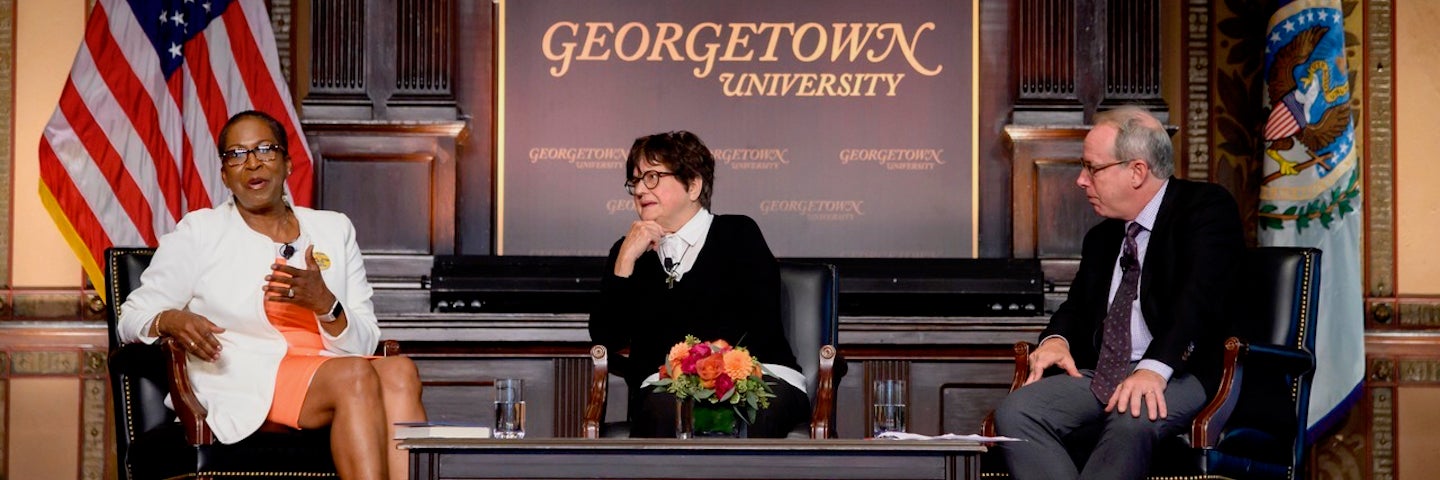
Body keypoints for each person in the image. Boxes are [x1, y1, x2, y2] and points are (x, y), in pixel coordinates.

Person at [118, 110, 425, 480]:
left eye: (265, 149)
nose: (251, 163)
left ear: (287, 163)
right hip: (248, 374)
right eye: (236, 154)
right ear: (224, 174)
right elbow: (132, 316)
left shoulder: (334, 229)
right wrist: (171, 319)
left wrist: (326, 304)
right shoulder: (200, 232)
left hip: (334, 364)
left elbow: (365, 339)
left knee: (400, 371)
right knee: (354, 376)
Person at [994, 107, 1244, 479]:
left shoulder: (1205, 210)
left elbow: (1198, 303)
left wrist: (1152, 370)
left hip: (1179, 370)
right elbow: (1076, 307)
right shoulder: (1102, 237)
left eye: (1092, 168)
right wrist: (1057, 340)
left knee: (1133, 416)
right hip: (1103, 373)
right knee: (1016, 412)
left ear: (1137, 171)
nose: (1080, 180)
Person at [589, 130, 810, 438]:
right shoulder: (627, 251)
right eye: (635, 180)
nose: (640, 189)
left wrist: (688, 357)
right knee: (666, 406)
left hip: (754, 376)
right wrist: (625, 262)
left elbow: (754, 323)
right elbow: (606, 337)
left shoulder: (738, 234)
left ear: (693, 185)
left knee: (752, 409)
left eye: (652, 177)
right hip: (667, 388)